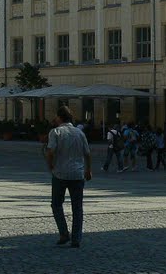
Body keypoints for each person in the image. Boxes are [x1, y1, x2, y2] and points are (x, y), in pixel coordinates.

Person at [44, 106, 91, 248]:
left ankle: (64, 233)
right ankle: (76, 238)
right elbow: (87, 153)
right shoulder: (79, 133)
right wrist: (88, 170)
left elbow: (50, 151)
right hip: (77, 174)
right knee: (77, 207)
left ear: (60, 117)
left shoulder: (56, 132)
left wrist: (50, 165)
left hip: (60, 173)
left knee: (56, 204)